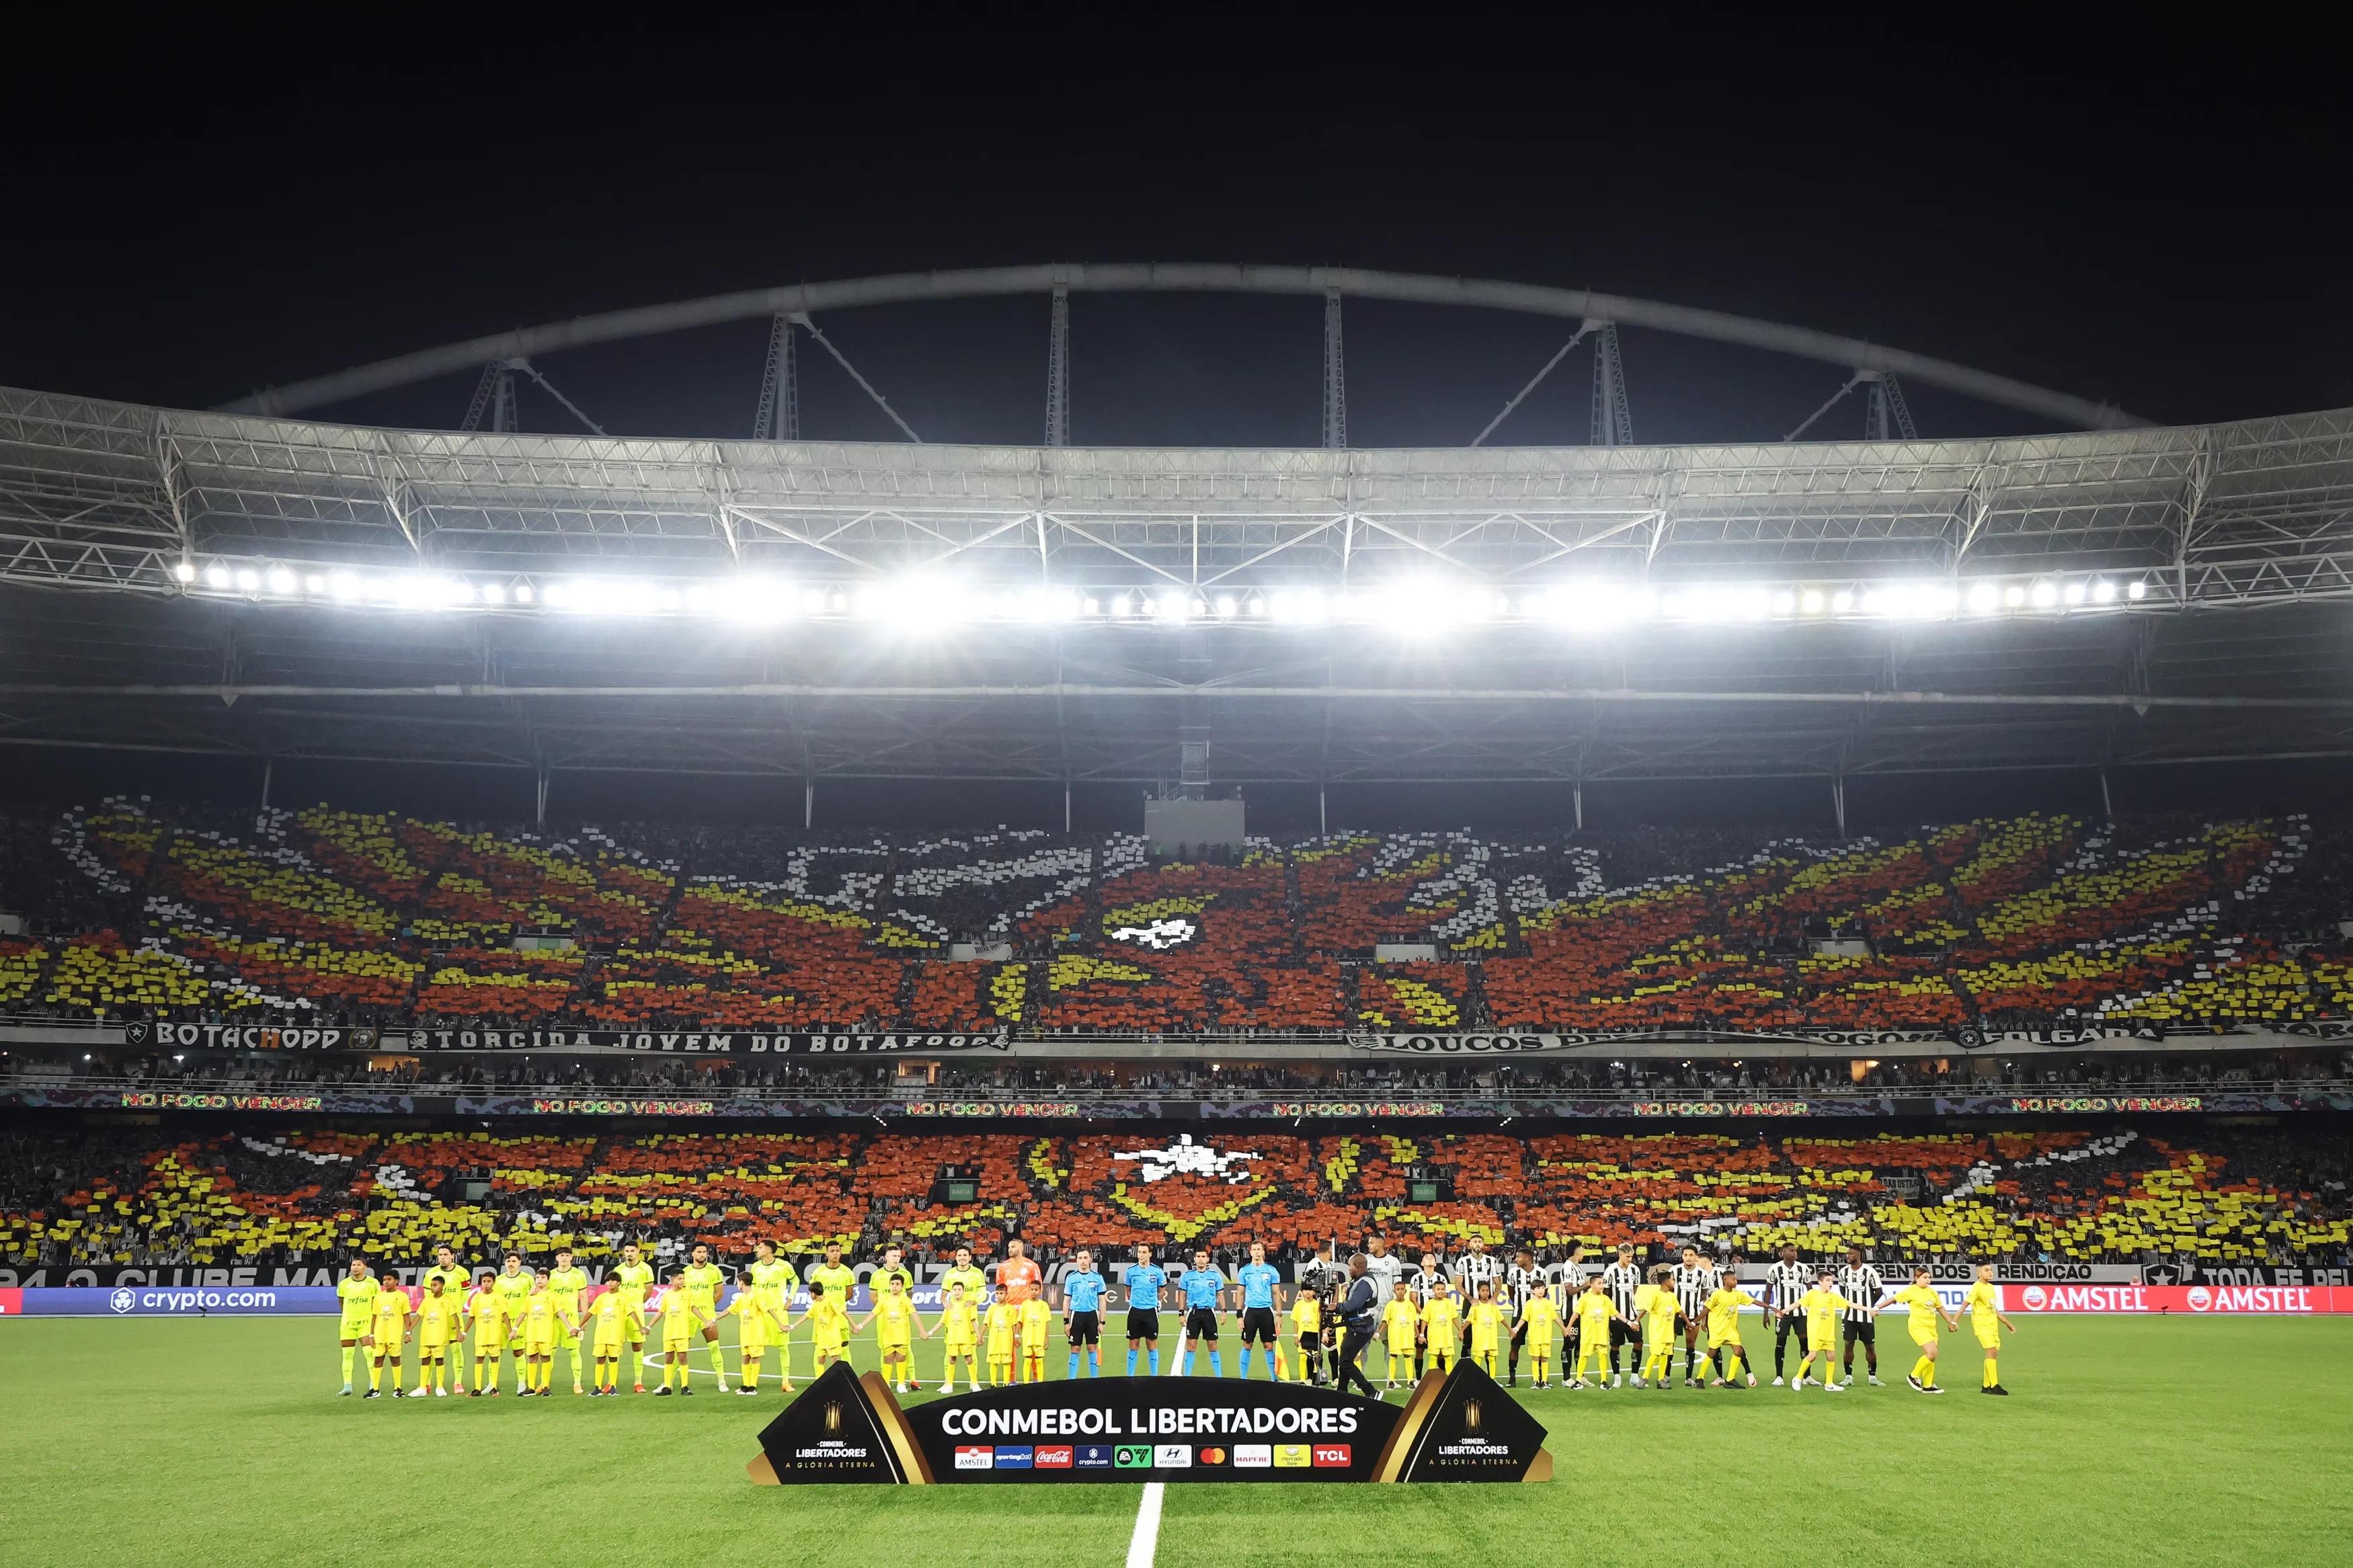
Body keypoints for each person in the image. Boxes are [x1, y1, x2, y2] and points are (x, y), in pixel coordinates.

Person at [1883, 1265, 1955, 1395]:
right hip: (1918, 1327)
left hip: (1931, 1327)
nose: (1928, 1280)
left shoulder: (1932, 1292)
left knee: (1931, 1357)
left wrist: (1951, 1322)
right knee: (1932, 1353)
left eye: (1929, 1278)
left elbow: (1940, 1308)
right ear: (1916, 1278)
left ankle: (1928, 1385)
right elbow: (1893, 1300)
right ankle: (1913, 1375)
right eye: (1925, 1277)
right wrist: (1877, 1308)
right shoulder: (1911, 1291)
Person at [742, 1240, 799, 1394]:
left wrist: (790, 1298)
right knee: (753, 1350)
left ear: (768, 1250)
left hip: (778, 1312)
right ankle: (750, 1384)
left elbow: (796, 1280)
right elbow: (752, 1288)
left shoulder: (783, 1265)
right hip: (760, 1314)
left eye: (760, 1247)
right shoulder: (756, 1267)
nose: (757, 1250)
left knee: (783, 1347)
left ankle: (785, 1381)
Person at [675, 1243, 729, 1393]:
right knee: (680, 1348)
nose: (702, 1255)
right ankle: (668, 1382)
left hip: (708, 1314)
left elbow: (719, 1293)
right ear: (692, 1254)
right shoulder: (685, 1272)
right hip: (689, 1315)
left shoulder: (714, 1270)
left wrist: (706, 1307)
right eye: (699, 1252)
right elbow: (679, 1293)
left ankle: (721, 1381)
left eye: (704, 1252)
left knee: (714, 1346)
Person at [1792, 1268, 1853, 1393]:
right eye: (1828, 1280)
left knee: (1831, 1356)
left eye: (1832, 1281)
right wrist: (1783, 1311)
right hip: (1815, 1332)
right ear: (1820, 1282)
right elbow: (1798, 1304)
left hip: (1828, 1333)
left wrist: (1868, 1310)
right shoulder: (1812, 1294)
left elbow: (1850, 1304)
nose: (1831, 1283)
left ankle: (1829, 1384)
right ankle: (1798, 1378)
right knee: (1812, 1355)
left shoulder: (1834, 1297)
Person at [1331, 1253, 1383, 1399]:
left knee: (1346, 1362)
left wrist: (1337, 1306)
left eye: (1350, 1266)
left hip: (1361, 1327)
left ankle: (1371, 1392)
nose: (1348, 1269)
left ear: (1357, 1266)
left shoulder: (1364, 1283)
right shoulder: (1360, 1280)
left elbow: (1354, 1305)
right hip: (1358, 1326)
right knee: (1345, 1358)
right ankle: (1342, 1392)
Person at [860, 1273, 922, 1393]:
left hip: (902, 1334)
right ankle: (886, 1383)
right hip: (888, 1334)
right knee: (888, 1358)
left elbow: (914, 1315)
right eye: (893, 1284)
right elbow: (873, 1314)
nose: (894, 1286)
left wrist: (922, 1331)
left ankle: (900, 1384)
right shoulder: (884, 1300)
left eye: (897, 1284)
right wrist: (861, 1325)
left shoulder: (906, 1301)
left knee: (901, 1358)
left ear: (902, 1287)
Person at [609, 1241, 656, 1393]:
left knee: (637, 1345)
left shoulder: (645, 1269)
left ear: (638, 1251)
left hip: (636, 1313)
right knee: (614, 1347)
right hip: (619, 1313)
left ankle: (638, 1382)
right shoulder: (619, 1269)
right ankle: (612, 1382)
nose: (629, 1253)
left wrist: (636, 1305)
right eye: (627, 1251)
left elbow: (649, 1291)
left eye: (632, 1251)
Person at [1962, 1262, 2017, 1395]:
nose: (1990, 1272)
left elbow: (1994, 1310)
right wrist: (1953, 1321)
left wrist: (2007, 1323)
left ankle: (1986, 1385)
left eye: (1991, 1270)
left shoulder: (1991, 1288)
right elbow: (1965, 1304)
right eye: (1987, 1270)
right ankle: (1995, 1385)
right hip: (1982, 1325)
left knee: (1992, 1354)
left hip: (1993, 1326)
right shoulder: (1977, 1287)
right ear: (1979, 1273)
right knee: (1991, 1352)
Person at [1234, 1242, 1284, 1381]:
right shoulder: (1244, 1271)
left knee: (1268, 1345)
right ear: (1250, 1252)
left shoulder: (1271, 1270)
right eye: (1254, 1250)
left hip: (1266, 1311)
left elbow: (1276, 1293)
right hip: (1250, 1311)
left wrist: (1279, 1315)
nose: (1256, 1252)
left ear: (1263, 1252)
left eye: (1259, 1249)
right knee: (1247, 1344)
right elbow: (1240, 1293)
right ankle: (1243, 1378)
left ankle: (1274, 1379)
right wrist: (1239, 1315)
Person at [1837, 1247, 1886, 1388]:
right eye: (1847, 1253)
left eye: (1851, 1254)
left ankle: (1872, 1376)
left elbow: (1878, 1292)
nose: (1848, 1256)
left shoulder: (1870, 1272)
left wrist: (1868, 1306)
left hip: (1866, 1317)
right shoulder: (1843, 1272)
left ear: (1858, 1255)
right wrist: (1850, 1304)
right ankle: (1848, 1376)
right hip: (1849, 1316)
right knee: (1848, 1345)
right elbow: (1842, 1290)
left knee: (1870, 1346)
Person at [1673, 1245, 1720, 1387]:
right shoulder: (1674, 1271)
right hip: (1675, 1315)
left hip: (1693, 1316)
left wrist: (1695, 1303)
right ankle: (1665, 1376)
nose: (1688, 1258)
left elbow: (1705, 1294)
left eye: (1691, 1255)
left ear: (1696, 1258)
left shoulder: (1703, 1274)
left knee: (1691, 1346)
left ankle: (1688, 1377)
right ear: (1682, 1257)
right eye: (1686, 1255)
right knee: (1669, 1345)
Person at [590, 1276, 645, 1395]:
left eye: (612, 1280)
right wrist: (579, 1326)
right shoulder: (601, 1298)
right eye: (608, 1281)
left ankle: (613, 1386)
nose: (609, 1283)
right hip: (601, 1334)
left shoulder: (623, 1298)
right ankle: (597, 1387)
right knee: (600, 1358)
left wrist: (641, 1327)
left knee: (613, 1358)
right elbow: (590, 1312)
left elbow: (631, 1313)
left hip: (615, 1334)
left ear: (619, 1283)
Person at [1599, 1242, 1644, 1387]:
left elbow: (1635, 1289)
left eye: (1631, 1257)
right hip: (1615, 1317)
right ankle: (1617, 1376)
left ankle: (1634, 1375)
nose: (1630, 1259)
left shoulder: (1635, 1270)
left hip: (1632, 1315)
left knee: (1639, 1343)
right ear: (1620, 1255)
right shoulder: (1611, 1271)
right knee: (1615, 1346)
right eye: (1627, 1257)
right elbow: (1606, 1293)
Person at [1765, 1243, 1810, 1386]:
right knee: (1781, 1342)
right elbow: (1768, 1291)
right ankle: (1779, 1376)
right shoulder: (1775, 1269)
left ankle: (1807, 1376)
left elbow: (1810, 1291)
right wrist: (1766, 1312)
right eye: (1791, 1251)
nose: (1794, 1253)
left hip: (1801, 1312)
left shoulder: (1803, 1269)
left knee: (1804, 1342)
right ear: (1782, 1252)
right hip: (1782, 1313)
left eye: (1796, 1251)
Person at [547, 1248, 590, 1395]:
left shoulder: (579, 1274)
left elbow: (584, 1297)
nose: (564, 1258)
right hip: (552, 1319)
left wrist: (585, 1319)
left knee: (574, 1351)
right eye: (561, 1255)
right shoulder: (550, 1275)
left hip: (572, 1319)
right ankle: (545, 1383)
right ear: (557, 1258)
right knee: (549, 1352)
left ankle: (577, 1383)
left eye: (567, 1255)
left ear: (571, 1257)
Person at [491, 1251, 534, 1396]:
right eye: (508, 1261)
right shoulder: (498, 1280)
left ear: (519, 1263)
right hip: (500, 1321)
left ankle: (522, 1383)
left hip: (519, 1321)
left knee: (518, 1352)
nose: (510, 1264)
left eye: (514, 1261)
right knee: (496, 1353)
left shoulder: (527, 1279)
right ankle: (492, 1384)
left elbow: (532, 1299)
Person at [1570, 1276, 1624, 1390]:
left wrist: (1628, 1322)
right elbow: (1576, 1314)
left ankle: (1603, 1381)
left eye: (1603, 1283)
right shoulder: (1585, 1299)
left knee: (1602, 1357)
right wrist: (1568, 1328)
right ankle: (1579, 1380)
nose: (1602, 1286)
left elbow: (1615, 1313)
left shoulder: (1606, 1299)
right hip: (1588, 1335)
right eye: (1599, 1283)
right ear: (1592, 1285)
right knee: (1583, 1356)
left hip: (1601, 1335)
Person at [335, 1258, 379, 1397]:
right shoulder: (344, 1284)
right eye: (353, 1265)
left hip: (366, 1323)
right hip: (347, 1324)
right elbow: (341, 1302)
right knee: (347, 1355)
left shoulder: (372, 1283)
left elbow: (376, 1303)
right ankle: (347, 1385)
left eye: (359, 1265)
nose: (355, 1267)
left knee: (369, 1354)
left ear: (365, 1267)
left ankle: (374, 1384)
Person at [1503, 1248, 1546, 1387]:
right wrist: (1519, 1307)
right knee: (1514, 1346)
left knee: (1540, 1346)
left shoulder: (1542, 1273)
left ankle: (1541, 1379)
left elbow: (1544, 1294)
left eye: (1518, 1257)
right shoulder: (1513, 1273)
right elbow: (1511, 1292)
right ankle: (1512, 1378)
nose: (1516, 1259)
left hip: (1537, 1316)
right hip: (1519, 1314)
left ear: (1527, 1258)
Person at [1062, 1248, 1108, 1379]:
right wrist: (1066, 1322)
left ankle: (1094, 1380)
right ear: (1077, 1260)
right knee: (1075, 1348)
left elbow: (1102, 1300)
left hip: (1092, 1316)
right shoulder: (1071, 1278)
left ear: (1090, 1260)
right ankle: (1071, 1380)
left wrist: (1102, 1322)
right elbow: (1066, 1301)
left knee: (1092, 1347)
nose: (1083, 1261)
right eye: (1080, 1258)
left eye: (1085, 1258)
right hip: (1076, 1316)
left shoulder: (1097, 1278)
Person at [1703, 1276, 1756, 1387]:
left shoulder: (1736, 1293)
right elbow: (1707, 1307)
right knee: (1713, 1352)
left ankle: (1739, 1376)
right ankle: (1705, 1378)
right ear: (1725, 1281)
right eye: (1734, 1280)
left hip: (1730, 1328)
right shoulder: (1716, 1292)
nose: (1736, 1281)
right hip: (1716, 1327)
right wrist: (1699, 1322)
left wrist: (1770, 1308)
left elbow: (1754, 1301)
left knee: (1739, 1350)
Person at [1181, 1247, 1226, 1376]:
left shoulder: (1215, 1276)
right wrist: (1181, 1313)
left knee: (1213, 1345)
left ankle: (1219, 1376)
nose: (1201, 1259)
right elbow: (1182, 1295)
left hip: (1209, 1313)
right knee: (1191, 1345)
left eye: (1203, 1257)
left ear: (1208, 1259)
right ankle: (1187, 1376)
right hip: (1193, 1313)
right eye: (1198, 1257)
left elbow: (1220, 1294)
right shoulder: (1188, 1276)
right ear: (1194, 1259)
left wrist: (1223, 1311)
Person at [1123, 1243, 1166, 1376]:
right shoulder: (1131, 1271)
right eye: (1139, 1252)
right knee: (1133, 1345)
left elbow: (1162, 1289)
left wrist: (1155, 1301)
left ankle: (1154, 1376)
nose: (1140, 1255)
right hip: (1135, 1311)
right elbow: (1128, 1291)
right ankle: (1130, 1376)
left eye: (1143, 1252)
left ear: (1150, 1254)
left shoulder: (1157, 1271)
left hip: (1151, 1312)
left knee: (1151, 1345)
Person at [414, 1273, 461, 1396]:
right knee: (425, 1361)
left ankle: (440, 1387)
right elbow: (418, 1315)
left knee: (439, 1360)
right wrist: (409, 1330)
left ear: (442, 1286)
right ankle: (422, 1388)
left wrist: (458, 1332)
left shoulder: (447, 1300)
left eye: (435, 1285)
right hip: (426, 1336)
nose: (432, 1288)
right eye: (431, 1285)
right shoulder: (427, 1300)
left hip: (439, 1336)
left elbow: (455, 1317)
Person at [366, 1270, 409, 1399]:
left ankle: (398, 1388)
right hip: (380, 1334)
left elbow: (406, 1315)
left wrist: (409, 1332)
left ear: (396, 1281)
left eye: (389, 1279)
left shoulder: (402, 1296)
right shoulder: (379, 1297)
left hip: (394, 1334)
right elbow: (374, 1316)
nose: (386, 1282)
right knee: (378, 1360)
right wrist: (371, 1335)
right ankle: (375, 1389)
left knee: (395, 1360)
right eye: (384, 1279)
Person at [1638, 1265, 1683, 1390]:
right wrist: (1636, 1321)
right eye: (1672, 1279)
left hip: (1668, 1331)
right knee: (1655, 1354)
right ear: (1666, 1282)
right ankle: (1644, 1378)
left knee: (1665, 1355)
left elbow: (1680, 1311)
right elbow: (1645, 1309)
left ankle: (1661, 1380)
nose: (1674, 1282)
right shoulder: (1655, 1295)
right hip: (1657, 1331)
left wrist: (1689, 1323)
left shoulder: (1672, 1296)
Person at [934, 1279, 981, 1393]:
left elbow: (973, 1321)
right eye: (954, 1290)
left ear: (963, 1291)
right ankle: (949, 1385)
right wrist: (930, 1333)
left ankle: (974, 1383)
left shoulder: (968, 1305)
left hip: (965, 1338)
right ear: (951, 1292)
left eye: (959, 1290)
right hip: (952, 1338)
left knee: (969, 1359)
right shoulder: (949, 1306)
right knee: (951, 1360)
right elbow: (942, 1322)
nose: (957, 1292)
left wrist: (979, 1336)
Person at [1516, 1274, 1561, 1389]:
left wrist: (1564, 1329)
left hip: (1546, 1336)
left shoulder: (1548, 1303)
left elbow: (1555, 1317)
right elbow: (1524, 1318)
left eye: (1543, 1288)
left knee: (1545, 1358)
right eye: (1538, 1289)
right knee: (1535, 1357)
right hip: (1535, 1336)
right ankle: (1536, 1380)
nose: (1541, 1291)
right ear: (1532, 1291)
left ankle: (1544, 1381)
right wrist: (1516, 1329)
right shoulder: (1529, 1304)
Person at [521, 1268, 560, 1395]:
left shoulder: (552, 1296)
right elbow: (523, 1312)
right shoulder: (530, 1296)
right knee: (531, 1358)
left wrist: (571, 1327)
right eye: (537, 1278)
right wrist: (515, 1328)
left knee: (545, 1358)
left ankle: (546, 1386)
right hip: (532, 1332)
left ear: (548, 1280)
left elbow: (560, 1312)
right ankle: (531, 1387)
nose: (539, 1280)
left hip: (546, 1333)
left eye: (543, 1278)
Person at [466, 1268, 503, 1397]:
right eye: (484, 1281)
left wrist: (511, 1331)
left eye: (489, 1281)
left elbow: (505, 1315)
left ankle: (494, 1387)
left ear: (493, 1282)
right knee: (479, 1359)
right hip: (481, 1335)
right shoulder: (477, 1298)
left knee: (494, 1359)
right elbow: (472, 1316)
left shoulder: (498, 1297)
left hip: (494, 1334)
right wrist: (464, 1332)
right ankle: (477, 1388)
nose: (486, 1284)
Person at [805, 1278, 852, 1376]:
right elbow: (806, 1316)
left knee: (835, 1361)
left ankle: (839, 1381)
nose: (810, 1295)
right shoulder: (815, 1304)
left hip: (833, 1338)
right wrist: (793, 1326)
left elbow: (844, 1312)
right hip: (822, 1338)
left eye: (810, 1293)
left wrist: (854, 1326)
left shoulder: (830, 1302)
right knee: (821, 1360)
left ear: (814, 1294)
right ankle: (819, 1382)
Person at [1382, 1281, 1421, 1388]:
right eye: (1398, 1289)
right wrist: (1378, 1333)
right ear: (1394, 1291)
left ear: (1406, 1291)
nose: (1400, 1291)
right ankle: (1392, 1381)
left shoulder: (1410, 1305)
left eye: (1402, 1289)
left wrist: (1419, 1335)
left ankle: (1410, 1381)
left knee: (1408, 1357)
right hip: (1395, 1337)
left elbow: (1414, 1322)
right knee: (1393, 1356)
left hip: (1407, 1337)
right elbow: (1385, 1321)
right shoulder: (1390, 1305)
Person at [1290, 1274, 1325, 1383]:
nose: (1308, 1292)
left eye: (1310, 1290)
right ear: (1302, 1292)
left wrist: (1323, 1334)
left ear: (1314, 1292)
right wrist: (1296, 1336)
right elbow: (1295, 1321)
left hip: (1314, 1335)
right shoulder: (1298, 1305)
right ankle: (1303, 1379)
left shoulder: (1318, 1305)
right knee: (1303, 1357)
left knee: (1315, 1357)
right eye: (1305, 1290)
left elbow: (1321, 1322)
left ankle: (1315, 1378)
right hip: (1302, 1335)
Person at [1420, 1281, 1460, 1376]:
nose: (1441, 1291)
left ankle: (1449, 1378)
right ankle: (1432, 1378)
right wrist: (1422, 1335)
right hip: (1434, 1336)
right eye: (1438, 1289)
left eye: (1442, 1289)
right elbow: (1424, 1320)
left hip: (1447, 1337)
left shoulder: (1449, 1303)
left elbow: (1454, 1318)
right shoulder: (1430, 1304)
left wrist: (1461, 1331)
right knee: (1433, 1357)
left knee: (1448, 1357)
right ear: (1433, 1290)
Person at [1467, 1281, 1506, 1377]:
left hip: (1491, 1338)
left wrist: (1510, 1330)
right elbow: (1469, 1320)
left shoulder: (1493, 1305)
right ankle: (1476, 1379)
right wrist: (1461, 1331)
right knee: (1478, 1358)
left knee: (1492, 1358)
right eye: (1483, 1291)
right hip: (1479, 1339)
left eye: (1487, 1291)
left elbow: (1501, 1318)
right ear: (1479, 1292)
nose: (1485, 1293)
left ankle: (1492, 1379)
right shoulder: (1475, 1306)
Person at [984, 1286, 1021, 1387]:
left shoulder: (1011, 1309)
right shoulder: (992, 1308)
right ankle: (993, 1384)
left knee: (1006, 1362)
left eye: (1001, 1293)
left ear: (1006, 1294)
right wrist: (980, 1336)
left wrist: (1016, 1337)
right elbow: (986, 1323)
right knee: (993, 1362)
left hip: (1006, 1340)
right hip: (994, 1340)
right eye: (997, 1293)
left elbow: (1014, 1325)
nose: (999, 1296)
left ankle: (1006, 1383)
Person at [1019, 1279, 1053, 1384]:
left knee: (1039, 1360)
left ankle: (1040, 1382)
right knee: (1027, 1360)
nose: (1034, 1292)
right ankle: (1026, 1383)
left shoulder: (1044, 1305)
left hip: (1039, 1338)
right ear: (1029, 1290)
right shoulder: (1025, 1305)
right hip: (1028, 1338)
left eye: (1036, 1290)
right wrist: (1018, 1336)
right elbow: (1020, 1321)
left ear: (1040, 1291)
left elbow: (1047, 1323)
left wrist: (1047, 1338)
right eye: (1032, 1289)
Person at [939, 1245, 989, 1313]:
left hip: (971, 1314)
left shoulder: (977, 1273)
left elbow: (983, 1294)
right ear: (956, 1258)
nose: (962, 1258)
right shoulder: (949, 1274)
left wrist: (973, 1302)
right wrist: (946, 1304)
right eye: (959, 1256)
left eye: (965, 1255)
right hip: (954, 1314)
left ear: (970, 1257)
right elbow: (943, 1296)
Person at [997, 1237, 1043, 1305]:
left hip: (1027, 1307)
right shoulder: (1002, 1267)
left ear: (1021, 1249)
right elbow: (999, 1289)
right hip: (1009, 1307)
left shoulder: (1032, 1266)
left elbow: (1039, 1288)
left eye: (1013, 1247)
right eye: (1009, 1247)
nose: (1010, 1250)